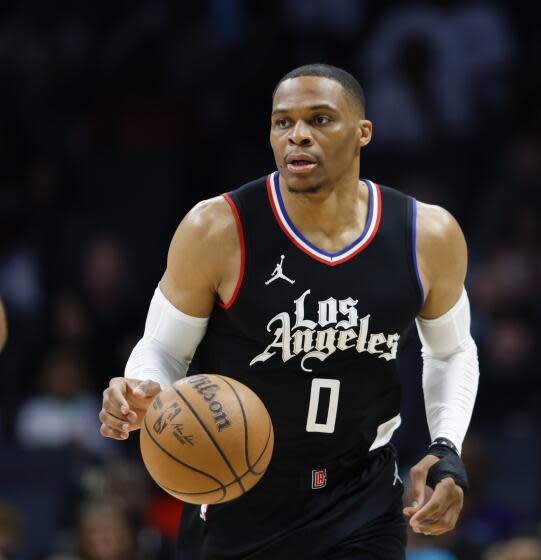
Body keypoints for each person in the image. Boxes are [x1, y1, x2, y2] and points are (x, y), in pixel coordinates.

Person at [98, 63, 479, 559]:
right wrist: (147, 389)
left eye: (320, 120)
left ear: (362, 133)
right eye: (284, 122)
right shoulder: (217, 228)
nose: (298, 135)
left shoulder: (425, 235)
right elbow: (162, 348)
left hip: (358, 495)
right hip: (233, 490)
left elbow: (451, 351)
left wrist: (446, 447)